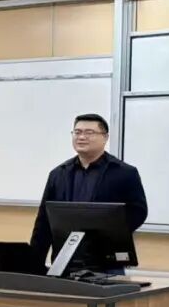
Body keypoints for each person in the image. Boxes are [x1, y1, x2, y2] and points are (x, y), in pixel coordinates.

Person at [29, 114, 148, 267]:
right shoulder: (58, 174)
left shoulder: (124, 173)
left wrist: (108, 233)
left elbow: (138, 212)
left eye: (89, 132)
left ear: (105, 137)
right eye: (77, 132)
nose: (81, 137)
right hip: (64, 259)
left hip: (106, 260)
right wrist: (34, 263)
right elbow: (44, 221)